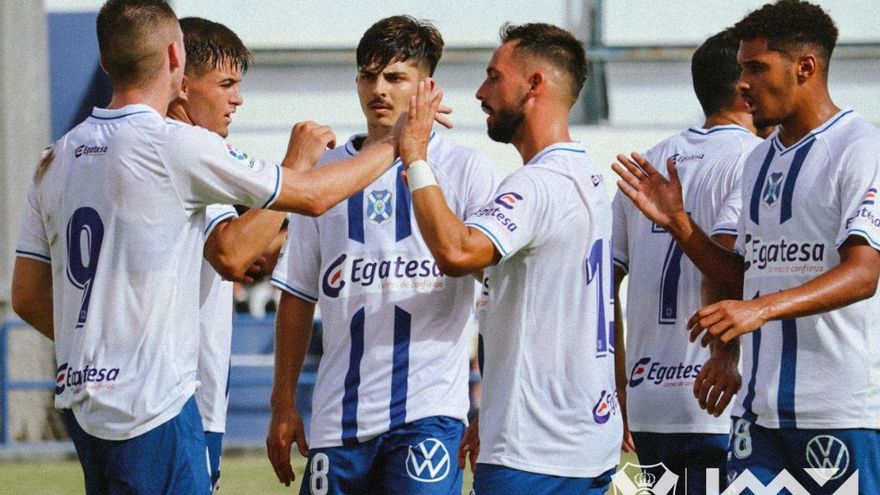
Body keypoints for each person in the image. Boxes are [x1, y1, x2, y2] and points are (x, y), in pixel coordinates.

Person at [9, 1, 442, 492]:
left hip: (85, 400)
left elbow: (26, 296)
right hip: (156, 405)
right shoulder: (175, 145)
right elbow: (299, 207)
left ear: (106, 63)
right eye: (227, 84)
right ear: (176, 58)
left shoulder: (55, 157)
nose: (237, 100)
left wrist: (102, 350)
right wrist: (398, 142)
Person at [613, 1, 880, 491]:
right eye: (741, 70)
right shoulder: (758, 161)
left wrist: (761, 310)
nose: (742, 84)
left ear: (806, 67)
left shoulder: (862, 147)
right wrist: (680, 225)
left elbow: (864, 273)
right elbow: (747, 278)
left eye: (756, 68)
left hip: (840, 410)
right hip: (756, 412)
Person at [266, 15, 499, 494]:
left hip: (428, 414)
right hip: (338, 419)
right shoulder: (324, 175)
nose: (379, 89)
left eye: (395, 77)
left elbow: (498, 295)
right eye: (368, 75)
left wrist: (492, 404)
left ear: (426, 86)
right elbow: (297, 294)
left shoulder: (466, 169)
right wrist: (282, 402)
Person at [402, 23, 621, 494]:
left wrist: (414, 156)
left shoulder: (537, 184)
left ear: (535, 84)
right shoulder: (588, 177)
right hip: (582, 444)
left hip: (534, 452)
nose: (481, 92)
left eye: (494, 77)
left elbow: (457, 252)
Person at [612, 28, 761, 492]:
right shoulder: (754, 159)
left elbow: (598, 287)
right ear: (743, 86)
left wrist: (616, 385)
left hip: (648, 399)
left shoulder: (646, 166)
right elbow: (725, 268)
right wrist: (725, 355)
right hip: (718, 398)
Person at [165, 16, 288, 493]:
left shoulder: (81, 151)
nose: (237, 98)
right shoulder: (190, 151)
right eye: (226, 84)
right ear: (180, 82)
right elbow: (232, 254)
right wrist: (297, 163)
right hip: (181, 400)